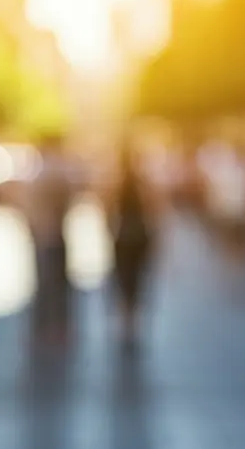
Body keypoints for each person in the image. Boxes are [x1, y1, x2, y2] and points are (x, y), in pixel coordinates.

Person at [106, 143, 161, 352]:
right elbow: (155, 211)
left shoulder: (116, 182)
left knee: (124, 280)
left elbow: (107, 209)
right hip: (138, 237)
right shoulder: (143, 183)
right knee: (136, 281)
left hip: (124, 237)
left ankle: (126, 324)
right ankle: (132, 324)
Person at [26, 133, 78, 346]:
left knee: (46, 281)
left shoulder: (39, 171)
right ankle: (55, 325)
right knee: (54, 282)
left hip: (44, 233)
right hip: (52, 233)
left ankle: (45, 325)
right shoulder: (55, 171)